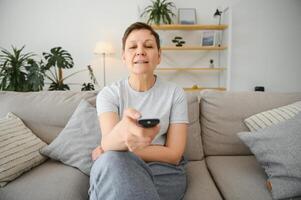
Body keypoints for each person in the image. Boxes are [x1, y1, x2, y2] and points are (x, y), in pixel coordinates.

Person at [89, 22, 188, 200]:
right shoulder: (109, 94)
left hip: (163, 171)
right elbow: (109, 144)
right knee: (112, 162)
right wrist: (112, 147)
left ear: (159, 56)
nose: (140, 51)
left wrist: (117, 147)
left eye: (148, 46)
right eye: (133, 46)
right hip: (117, 165)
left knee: (111, 160)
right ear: (124, 57)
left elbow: (174, 155)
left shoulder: (175, 93)